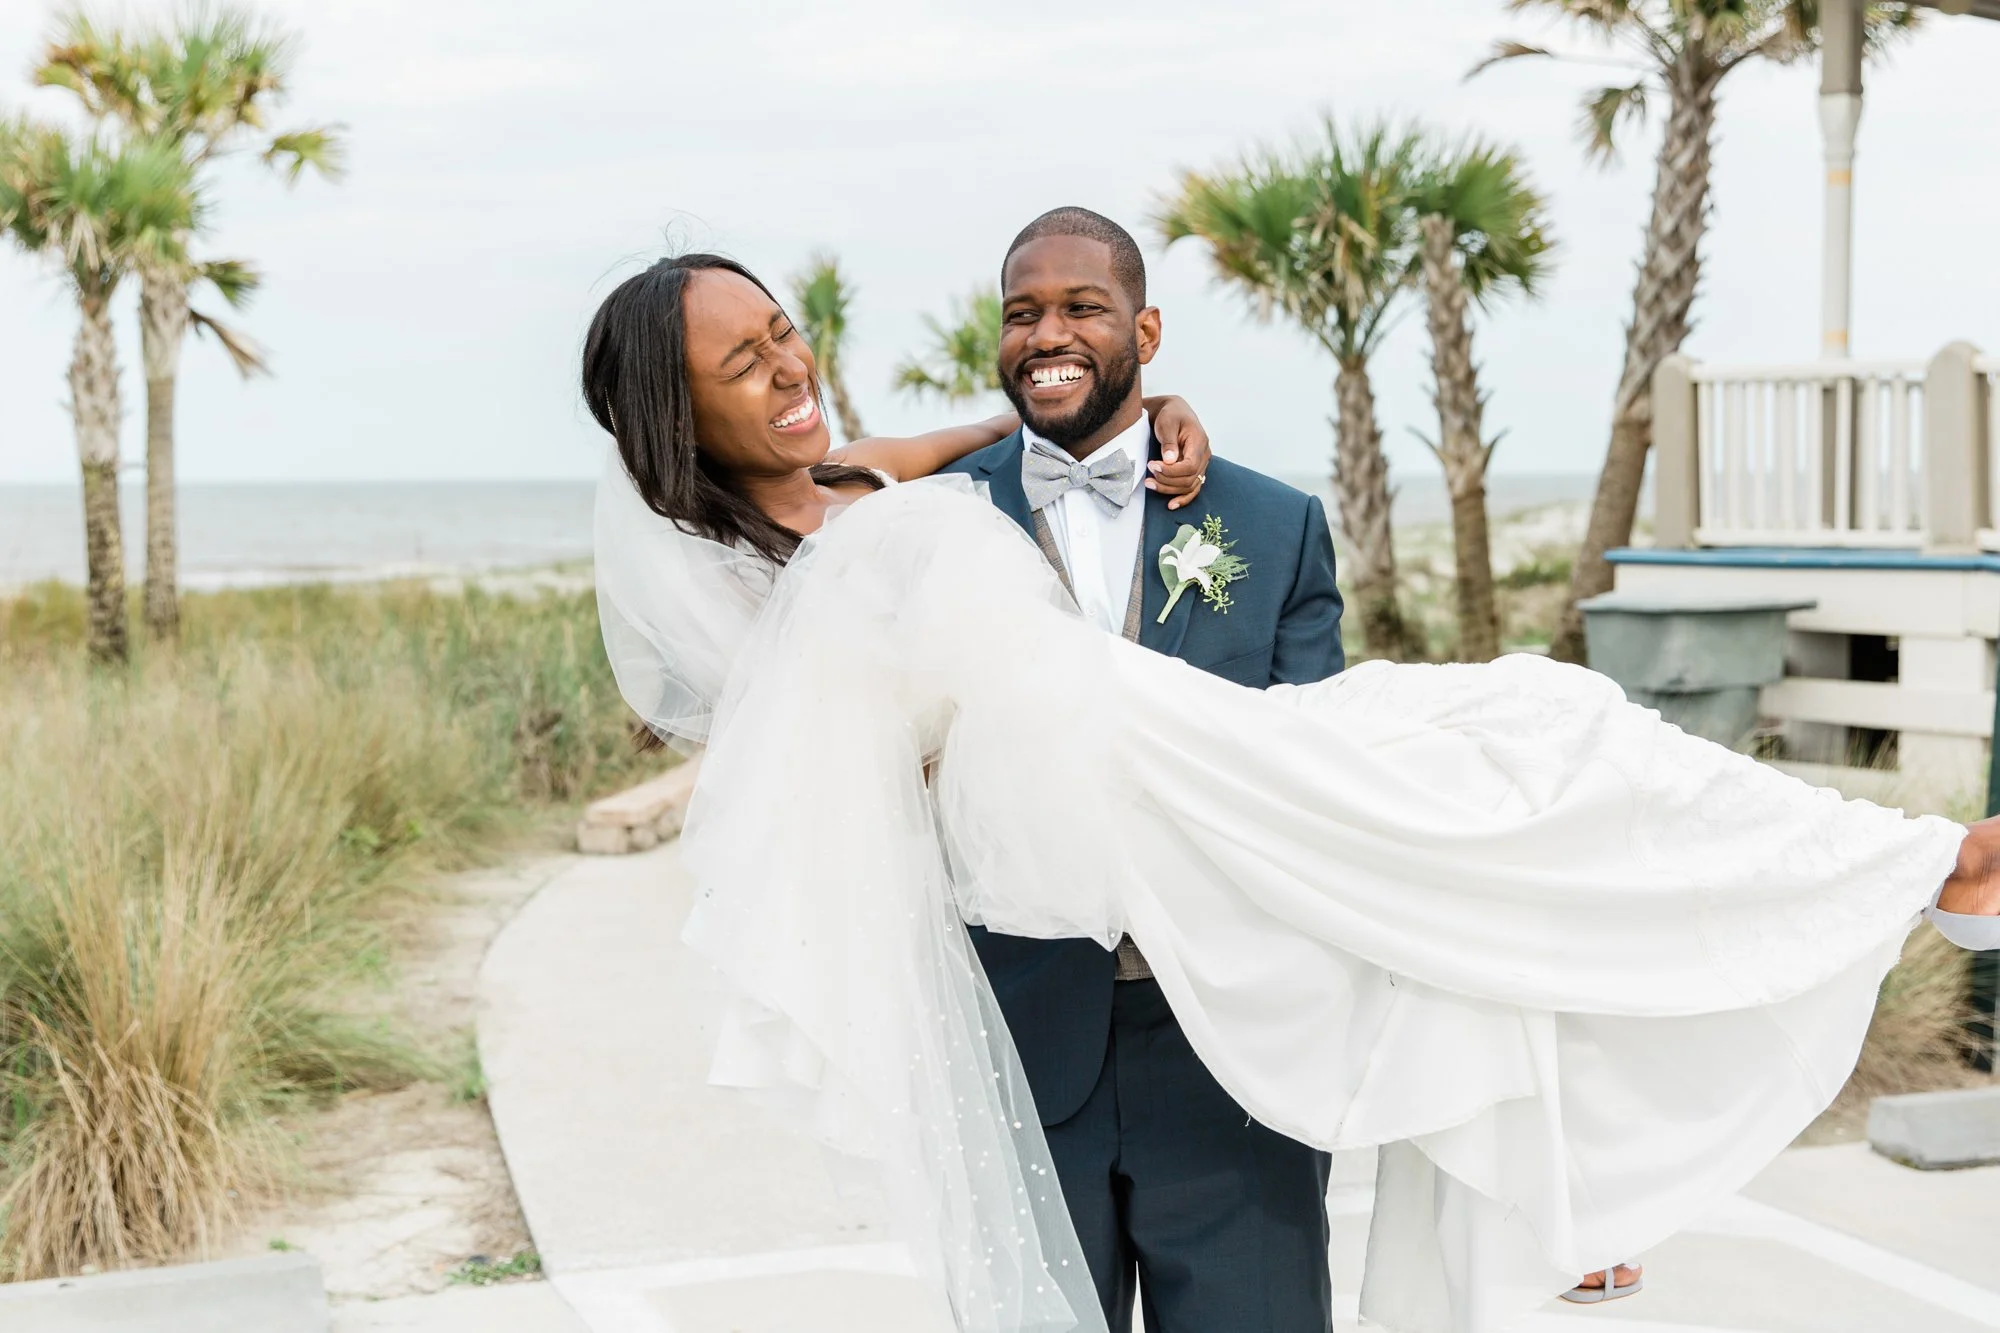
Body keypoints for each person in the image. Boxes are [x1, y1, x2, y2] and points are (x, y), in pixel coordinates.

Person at [585, 242, 2000, 1333]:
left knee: (1531, 728)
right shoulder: (741, 589)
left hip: (1164, 752)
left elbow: (965, 445)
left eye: (782, 331)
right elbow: (830, 783)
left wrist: (1142, 406)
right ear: (675, 409)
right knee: (1490, 771)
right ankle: (1910, 870)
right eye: (743, 362)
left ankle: (1912, 865)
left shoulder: (843, 476)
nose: (789, 366)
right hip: (1109, 823)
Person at [934, 208, 1343, 1333]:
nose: (1045, 332)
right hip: (1018, 1049)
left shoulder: (1273, 524)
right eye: (1022, 314)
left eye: (1080, 308)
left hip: (1231, 1058)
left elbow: (1316, 779)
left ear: (1146, 328)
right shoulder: (935, 523)